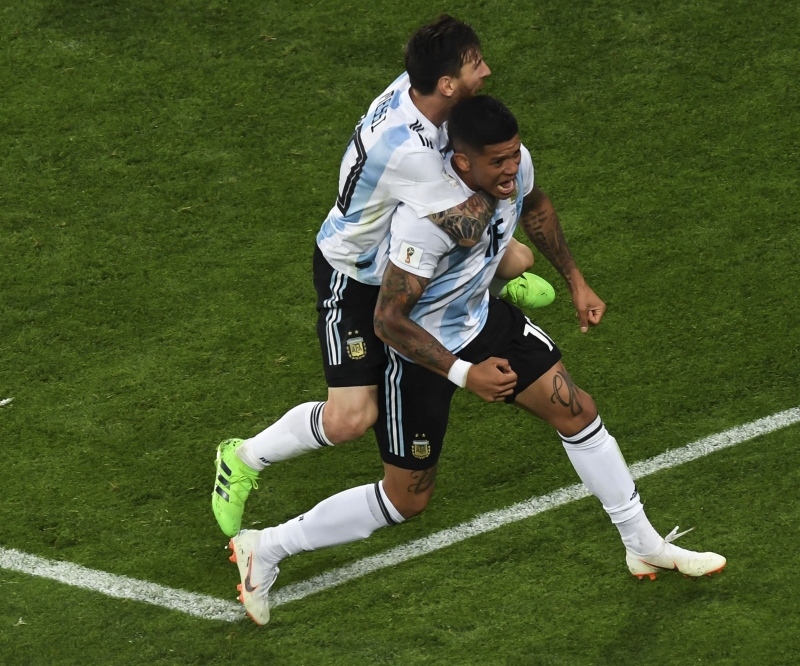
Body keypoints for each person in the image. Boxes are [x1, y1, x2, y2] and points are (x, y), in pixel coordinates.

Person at [227, 96, 725, 625]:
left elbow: (536, 207)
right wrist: (466, 375)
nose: (512, 168)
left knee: (576, 410)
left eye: (514, 155)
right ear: (463, 163)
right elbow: (389, 320)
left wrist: (576, 282)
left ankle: (642, 542)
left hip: (482, 320)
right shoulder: (430, 221)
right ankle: (268, 546)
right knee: (407, 500)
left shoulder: (512, 165)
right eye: (498, 162)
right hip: (421, 353)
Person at [211, 15, 553, 539]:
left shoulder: (418, 94)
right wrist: (513, 172)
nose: (486, 71)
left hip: (399, 248)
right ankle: (242, 458)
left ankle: (499, 278)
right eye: (474, 65)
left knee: (512, 259)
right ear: (446, 85)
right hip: (356, 273)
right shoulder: (411, 153)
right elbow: (466, 227)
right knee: (351, 418)